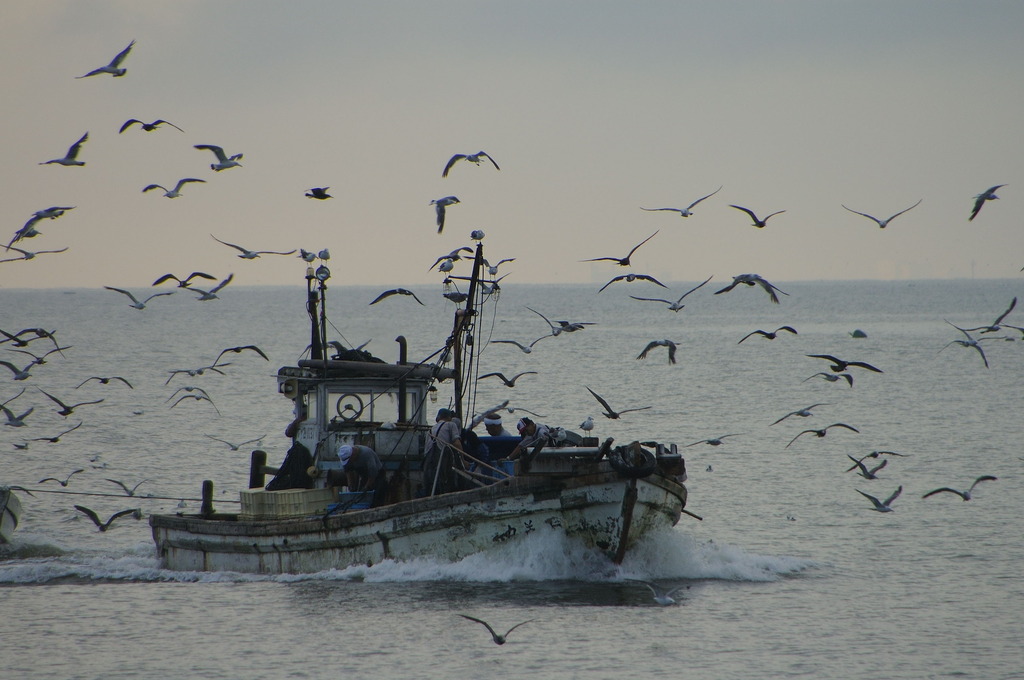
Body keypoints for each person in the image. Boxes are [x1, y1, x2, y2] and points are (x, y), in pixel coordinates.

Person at [422, 408, 463, 495]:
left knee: (433, 484)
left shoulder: (429, 431)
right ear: (449, 417)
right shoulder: (451, 425)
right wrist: (463, 461)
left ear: (437, 418)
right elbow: (457, 444)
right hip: (442, 460)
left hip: (429, 464)